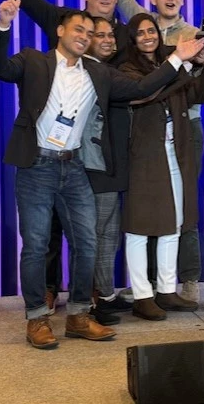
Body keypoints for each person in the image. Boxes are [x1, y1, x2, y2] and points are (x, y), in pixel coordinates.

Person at [0, 0, 204, 349]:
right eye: (79, 29)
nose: (84, 36)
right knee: (36, 245)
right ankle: (37, 319)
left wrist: (177, 58)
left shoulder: (99, 72)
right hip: (37, 166)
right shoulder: (33, 60)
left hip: (74, 166)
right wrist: (4, 24)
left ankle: (78, 315)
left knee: (87, 244)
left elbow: (142, 87)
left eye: (89, 33)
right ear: (61, 31)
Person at [6, 0, 128, 313]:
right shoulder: (64, 20)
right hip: (54, 143)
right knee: (48, 228)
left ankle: (89, 294)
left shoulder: (123, 34)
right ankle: (47, 290)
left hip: (100, 145)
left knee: (90, 231)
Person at [85, 0, 203, 302]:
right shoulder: (143, 25)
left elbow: (203, 81)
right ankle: (146, 288)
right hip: (146, 130)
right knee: (146, 210)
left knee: (183, 207)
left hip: (186, 127)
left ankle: (185, 281)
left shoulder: (193, 34)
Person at [118, 13, 204, 321]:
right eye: (141, 33)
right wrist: (180, 62)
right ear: (132, 39)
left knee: (174, 223)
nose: (148, 36)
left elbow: (198, 94)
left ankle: (165, 289)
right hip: (144, 156)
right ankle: (142, 294)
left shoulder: (168, 63)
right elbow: (147, 89)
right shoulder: (126, 69)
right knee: (139, 227)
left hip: (176, 152)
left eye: (151, 31)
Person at [80, 17, 131, 325]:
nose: (108, 40)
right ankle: (86, 302)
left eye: (111, 35)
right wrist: (178, 62)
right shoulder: (88, 70)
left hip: (112, 163)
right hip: (95, 163)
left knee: (109, 234)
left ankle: (106, 294)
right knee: (94, 235)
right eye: (100, 35)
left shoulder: (106, 70)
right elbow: (141, 90)